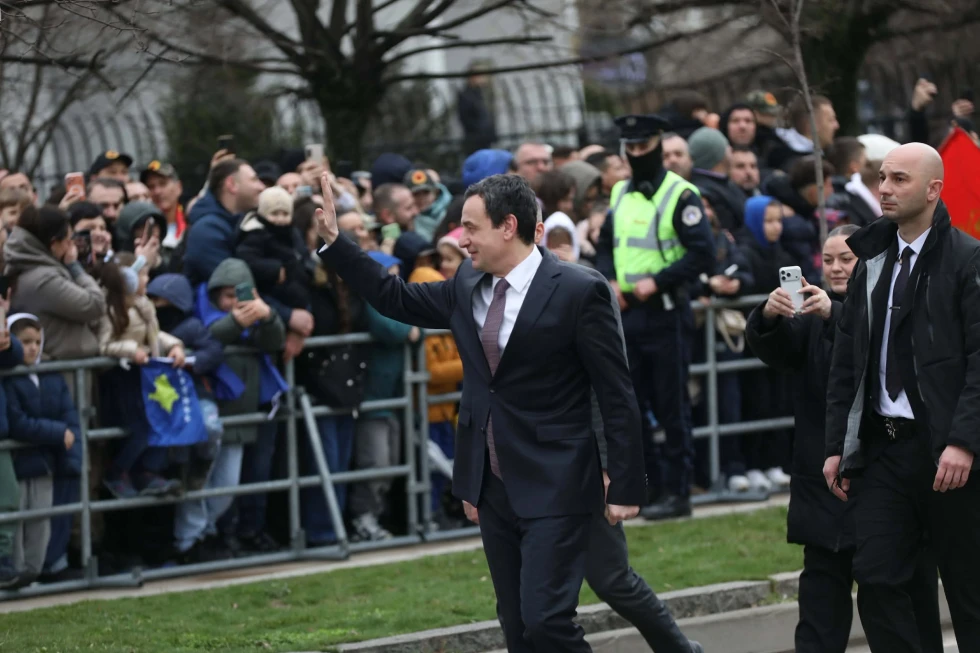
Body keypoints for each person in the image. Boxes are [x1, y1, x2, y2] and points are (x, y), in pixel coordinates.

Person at [315, 170, 645, 653]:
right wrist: (336, 243)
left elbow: (615, 391)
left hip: (558, 480)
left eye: (471, 228)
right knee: (516, 626)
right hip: (494, 483)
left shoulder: (578, 289)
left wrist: (625, 479)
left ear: (508, 226)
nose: (461, 240)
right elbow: (393, 297)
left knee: (546, 622)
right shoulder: (467, 283)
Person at [747, 225, 942, 653]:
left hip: (884, 479)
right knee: (820, 604)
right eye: (829, 259)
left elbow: (875, 362)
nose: (836, 268)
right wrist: (768, 316)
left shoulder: (891, 303)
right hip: (822, 482)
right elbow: (778, 354)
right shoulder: (808, 315)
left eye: (847, 259)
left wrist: (835, 316)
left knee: (900, 597)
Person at [825, 143, 980, 651]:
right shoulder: (871, 260)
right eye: (882, 178)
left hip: (948, 456)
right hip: (884, 452)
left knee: (968, 591)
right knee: (877, 577)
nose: (885, 189)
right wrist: (837, 446)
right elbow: (847, 362)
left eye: (899, 179)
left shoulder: (967, 258)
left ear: (933, 190)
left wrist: (963, 441)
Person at [595, 114, 715, 520]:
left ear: (658, 145)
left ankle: (678, 493)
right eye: (629, 147)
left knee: (671, 407)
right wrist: (610, 280)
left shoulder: (681, 194)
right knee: (632, 407)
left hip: (666, 314)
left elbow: (703, 254)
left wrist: (657, 282)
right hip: (627, 314)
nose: (636, 153)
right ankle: (646, 489)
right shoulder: (619, 193)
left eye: (642, 146)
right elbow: (606, 245)